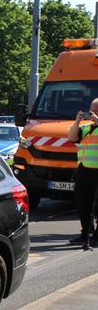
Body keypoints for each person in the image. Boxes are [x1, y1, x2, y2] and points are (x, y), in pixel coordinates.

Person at [67, 99, 98, 251]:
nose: (92, 114)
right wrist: (77, 122)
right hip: (84, 170)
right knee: (83, 205)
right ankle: (85, 233)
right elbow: (72, 137)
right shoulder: (86, 128)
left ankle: (96, 236)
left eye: (96, 111)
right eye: (91, 111)